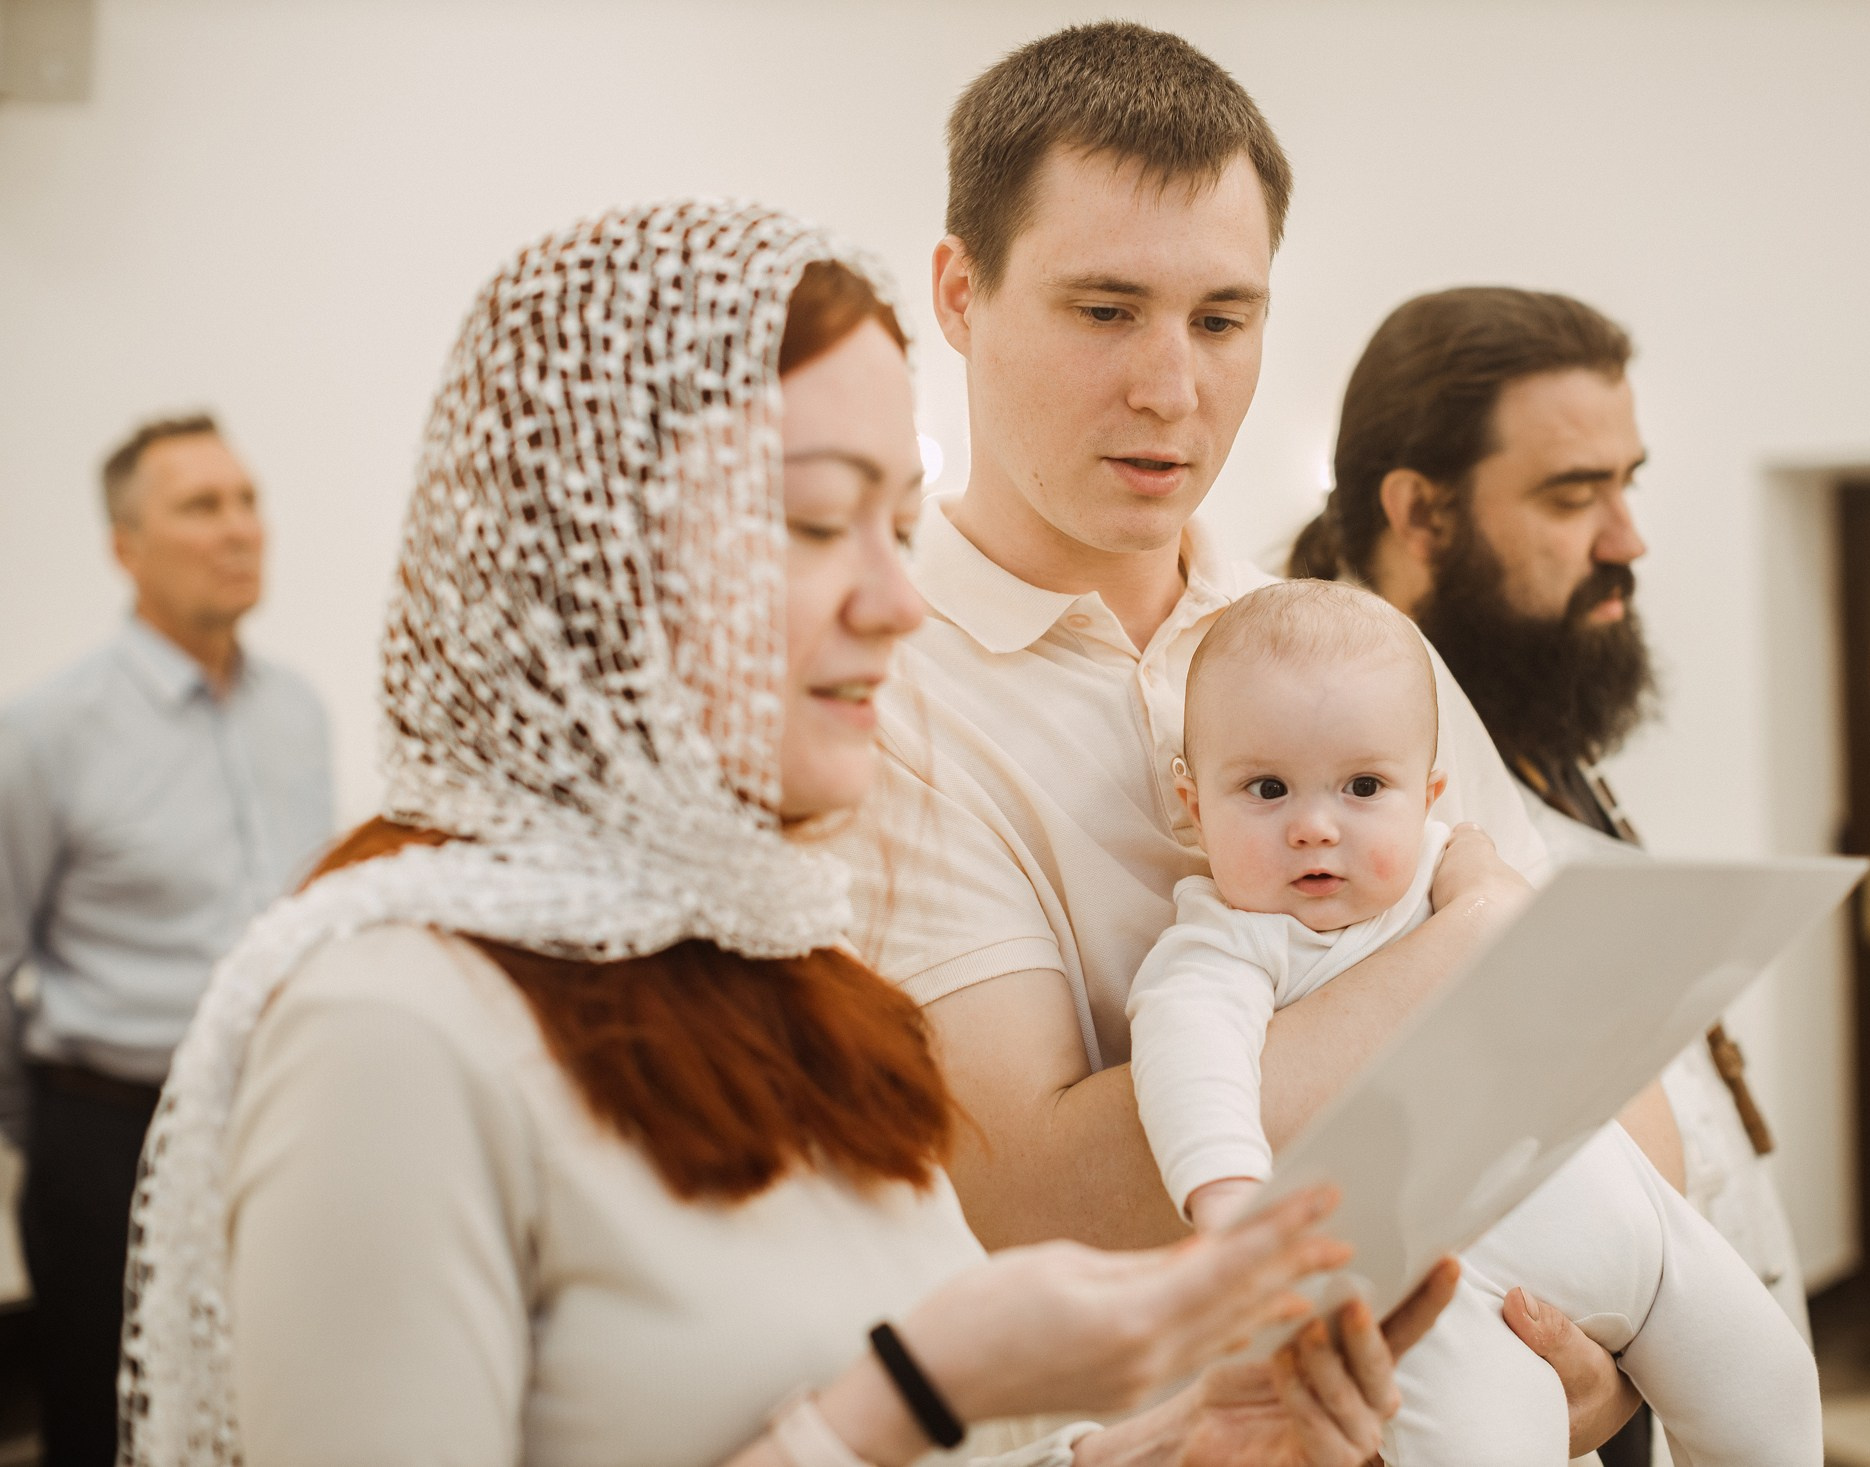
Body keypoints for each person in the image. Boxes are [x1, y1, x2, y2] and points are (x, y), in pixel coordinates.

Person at [119, 200, 1462, 1467]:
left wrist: (1166, 1442)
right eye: (819, 522)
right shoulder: (396, 1025)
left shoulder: (807, 985)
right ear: (600, 556)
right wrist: (911, 1389)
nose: (897, 599)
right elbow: (892, 1404)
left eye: (895, 522)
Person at [832, 22, 1652, 1457]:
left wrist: (1618, 1345)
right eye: (1106, 311)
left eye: (1223, 318)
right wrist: (1466, 947)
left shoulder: (1341, 643)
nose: (1174, 388)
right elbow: (1032, 1189)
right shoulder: (882, 692)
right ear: (961, 293)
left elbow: (1615, 1060)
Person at [1290, 286, 1815, 1461]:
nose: (1626, 536)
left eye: (1626, 483)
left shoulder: (1529, 724)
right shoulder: (1321, 791)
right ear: (1419, 511)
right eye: (1575, 496)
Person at [1126, 580, 1821, 1464]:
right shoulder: (1229, 946)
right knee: (1486, 1438)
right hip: (1452, 1276)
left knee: (1773, 1386)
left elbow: (1570, 990)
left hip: (1628, 1209)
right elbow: (1192, 1063)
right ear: (1193, 805)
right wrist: (1228, 1206)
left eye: (1363, 785)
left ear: (1429, 793)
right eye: (1266, 788)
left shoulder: (1455, 871)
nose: (1313, 826)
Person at [0, 413, 331, 1467]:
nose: (240, 529)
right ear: (124, 547)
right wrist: (35, 1127)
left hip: (269, 1121)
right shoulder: (47, 733)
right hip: (109, 1139)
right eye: (201, 506)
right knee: (109, 1430)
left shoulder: (301, 715)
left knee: (267, 1411)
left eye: (247, 500)